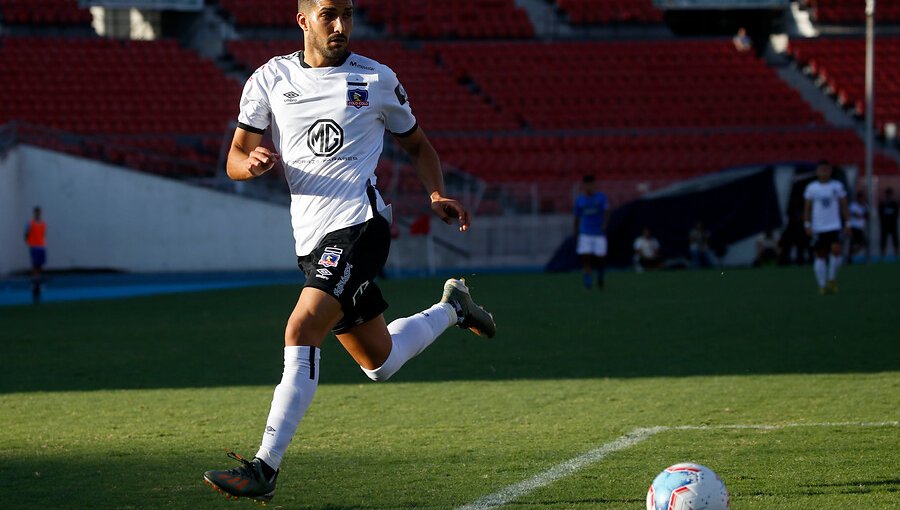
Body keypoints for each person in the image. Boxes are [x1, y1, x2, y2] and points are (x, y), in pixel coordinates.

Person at [203, 0, 497, 503]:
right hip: (310, 240)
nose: (341, 26)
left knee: (301, 327)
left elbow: (419, 145)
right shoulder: (269, 80)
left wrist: (435, 193)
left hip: (361, 227)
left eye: (348, 15)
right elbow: (233, 156)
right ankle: (453, 308)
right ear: (304, 20)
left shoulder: (376, 79)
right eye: (329, 15)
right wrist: (249, 163)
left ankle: (265, 468)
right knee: (378, 361)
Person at [803, 161, 850, 294]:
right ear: (817, 171)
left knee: (836, 250)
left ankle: (831, 279)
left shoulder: (837, 186)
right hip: (818, 226)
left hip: (834, 225)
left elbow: (844, 205)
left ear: (830, 171)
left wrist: (847, 223)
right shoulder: (812, 187)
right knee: (820, 254)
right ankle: (822, 285)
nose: (824, 172)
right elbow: (807, 207)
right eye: (821, 169)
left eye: (826, 169)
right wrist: (807, 224)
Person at [573, 175, 609, 289]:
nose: (589, 186)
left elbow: (606, 211)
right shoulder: (580, 200)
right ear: (584, 185)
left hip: (598, 233)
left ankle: (600, 278)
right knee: (586, 258)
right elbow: (577, 217)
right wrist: (576, 233)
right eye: (586, 184)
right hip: (585, 233)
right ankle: (588, 284)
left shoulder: (601, 197)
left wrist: (605, 224)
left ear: (594, 185)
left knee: (600, 259)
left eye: (591, 184)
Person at [24, 206, 46, 303]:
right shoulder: (30, 223)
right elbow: (26, 234)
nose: (38, 214)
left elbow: (43, 235)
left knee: (40, 267)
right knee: (34, 266)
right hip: (34, 248)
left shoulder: (43, 224)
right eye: (36, 212)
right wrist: (30, 243)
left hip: (41, 247)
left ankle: (39, 285)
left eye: (39, 212)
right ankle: (34, 286)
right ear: (34, 213)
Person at [847, 190, 867, 261]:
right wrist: (862, 215)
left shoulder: (864, 205)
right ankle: (849, 257)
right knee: (853, 243)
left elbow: (867, 215)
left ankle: (852, 254)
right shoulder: (853, 205)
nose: (862, 199)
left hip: (860, 228)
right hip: (854, 227)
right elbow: (855, 214)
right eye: (861, 198)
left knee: (863, 243)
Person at [879, 187, 898, 258]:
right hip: (885, 224)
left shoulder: (894, 203)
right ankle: (883, 252)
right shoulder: (882, 203)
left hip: (892, 224)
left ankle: (896, 251)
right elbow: (880, 214)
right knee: (883, 238)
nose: (889, 195)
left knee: (895, 237)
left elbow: (896, 214)